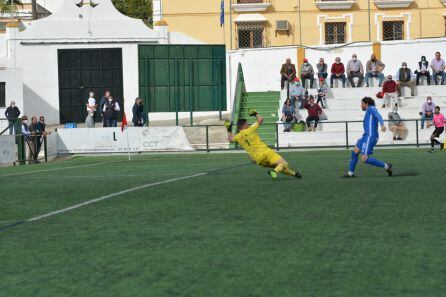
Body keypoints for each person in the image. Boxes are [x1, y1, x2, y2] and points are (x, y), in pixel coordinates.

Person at [225, 110, 302, 179]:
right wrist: (255, 113)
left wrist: (228, 129)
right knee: (284, 164)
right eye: (247, 123)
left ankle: (295, 174)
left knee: (278, 166)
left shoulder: (237, 137)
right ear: (244, 125)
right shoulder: (249, 129)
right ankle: (274, 172)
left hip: (257, 159)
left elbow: (230, 140)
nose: (248, 124)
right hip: (265, 152)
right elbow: (260, 119)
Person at [344, 97, 393, 178]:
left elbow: (378, 116)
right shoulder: (368, 111)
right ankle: (350, 173)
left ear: (366, 104)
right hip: (365, 136)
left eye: (362, 104)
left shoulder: (371, 108)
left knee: (365, 159)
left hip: (371, 137)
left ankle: (387, 166)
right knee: (355, 151)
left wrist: (382, 125)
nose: (361, 106)